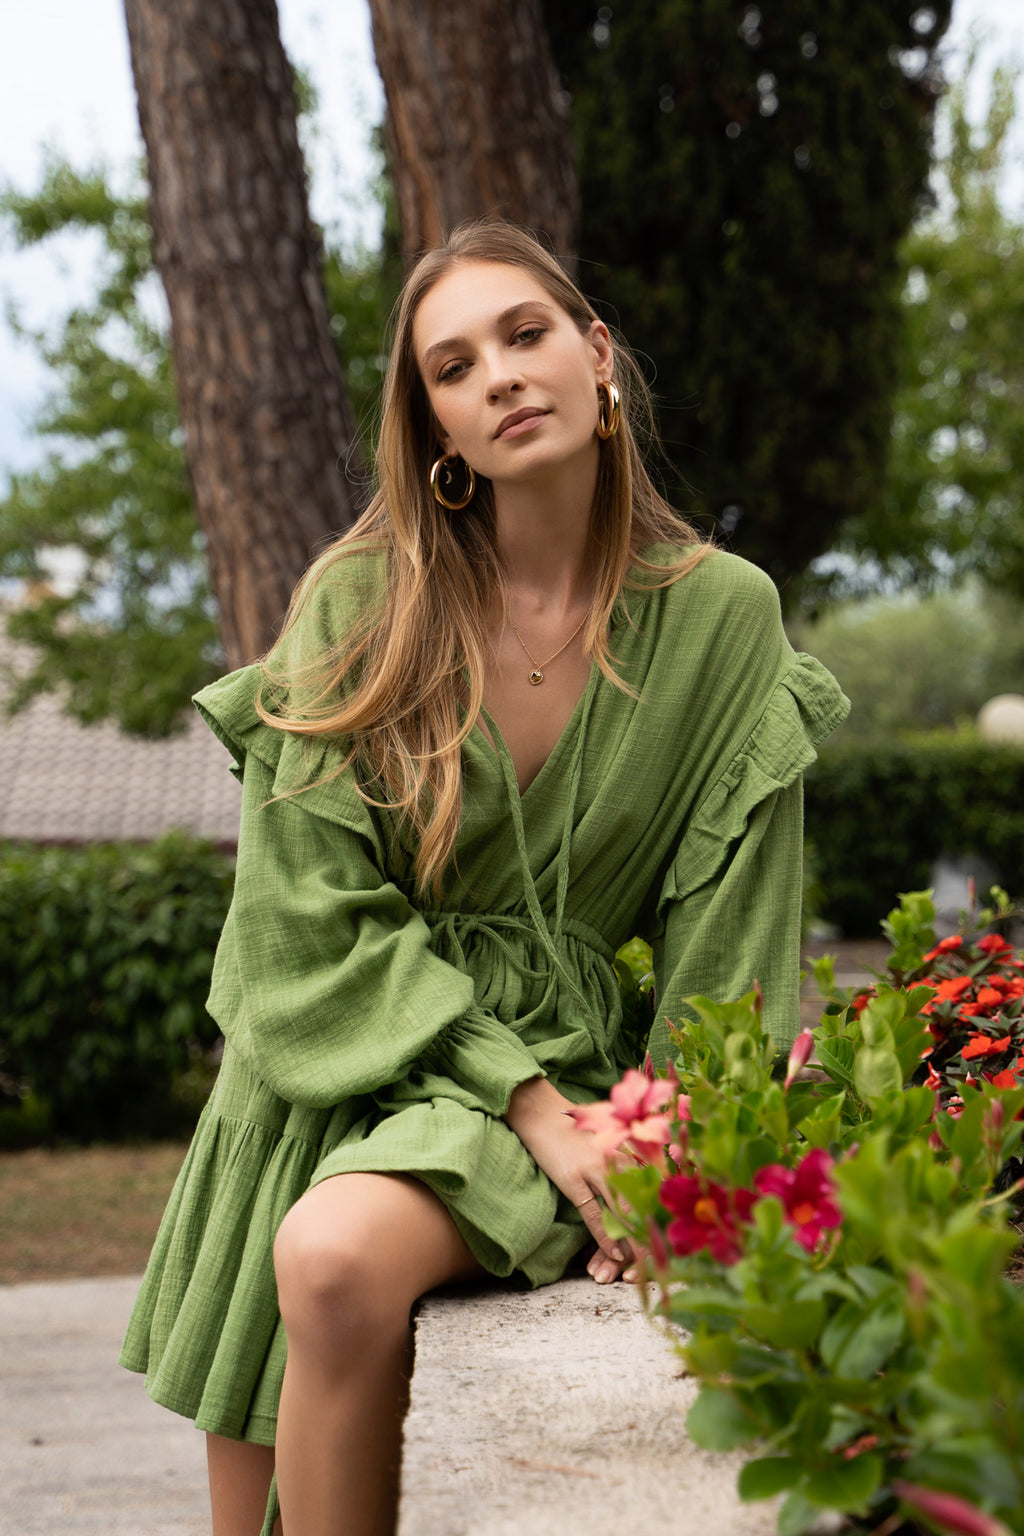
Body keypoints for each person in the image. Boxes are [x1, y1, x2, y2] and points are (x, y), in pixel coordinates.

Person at [120, 219, 849, 1536]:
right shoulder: (362, 609)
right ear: (437, 429)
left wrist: (674, 1150)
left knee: (336, 1257)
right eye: (453, 367)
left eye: (525, 334)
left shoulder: (724, 615)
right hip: (330, 1070)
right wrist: (527, 1106)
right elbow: (305, 918)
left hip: (566, 1071)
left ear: (598, 355)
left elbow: (734, 941)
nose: (501, 376)